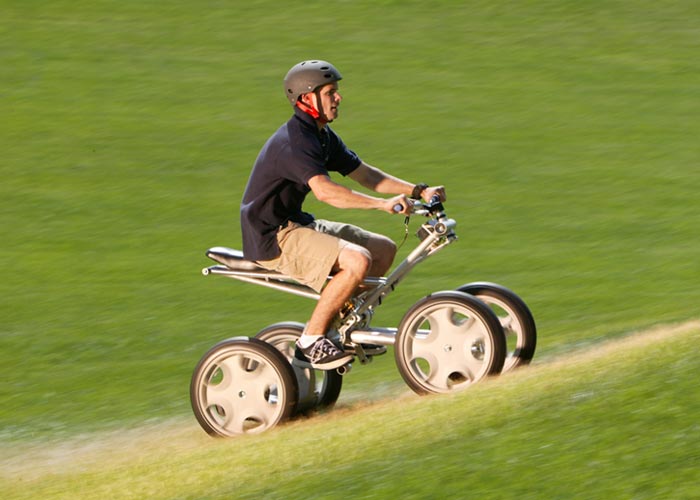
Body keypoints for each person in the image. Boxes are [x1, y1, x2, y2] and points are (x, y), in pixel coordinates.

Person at [240, 60, 446, 370]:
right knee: (357, 260)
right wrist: (382, 205)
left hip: (297, 222)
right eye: (331, 93)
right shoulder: (296, 142)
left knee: (383, 250)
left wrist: (419, 191)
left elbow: (365, 174)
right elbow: (326, 192)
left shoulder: (321, 135)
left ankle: (344, 326)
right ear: (307, 99)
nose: (338, 98)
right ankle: (311, 340)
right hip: (272, 236)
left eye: (337, 92)